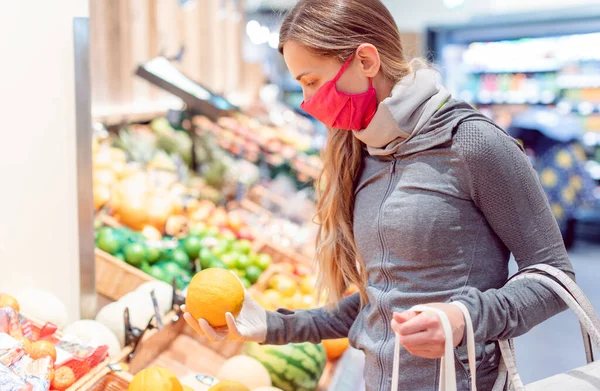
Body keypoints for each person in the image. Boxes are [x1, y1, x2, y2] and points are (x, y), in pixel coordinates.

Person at [183, 0, 574, 389]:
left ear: (366, 61)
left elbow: (555, 278)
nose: (307, 101)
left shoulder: (472, 143)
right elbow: (380, 303)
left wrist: (465, 317)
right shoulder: (364, 150)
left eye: (312, 81)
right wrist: (272, 324)